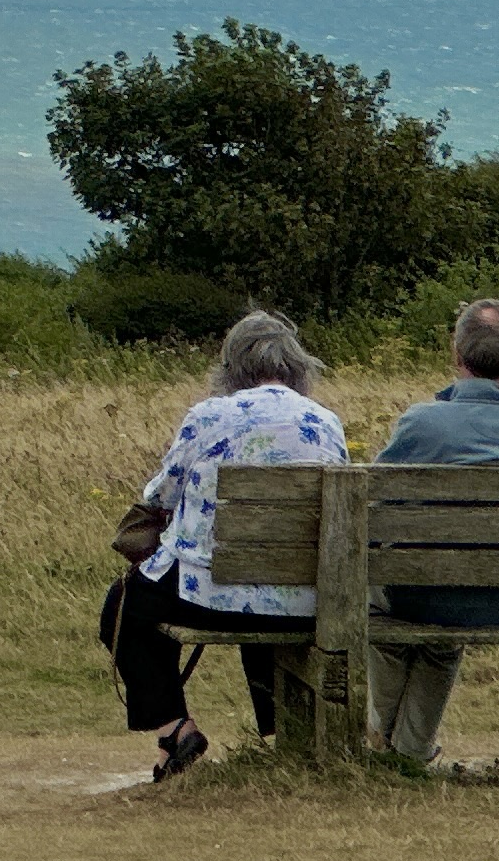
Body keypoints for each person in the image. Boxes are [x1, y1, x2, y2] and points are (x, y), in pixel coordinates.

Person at [107, 310, 348, 778]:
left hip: (209, 594)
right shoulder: (325, 421)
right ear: (298, 365)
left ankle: (176, 730)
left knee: (125, 606)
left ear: (230, 367)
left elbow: (160, 495)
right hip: (300, 595)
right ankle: (283, 733)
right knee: (263, 596)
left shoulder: (209, 415)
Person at [364, 297, 499, 765]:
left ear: (456, 354)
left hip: (413, 593)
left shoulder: (424, 422)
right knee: (440, 633)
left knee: (382, 596)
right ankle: (409, 752)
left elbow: (372, 504)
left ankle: (383, 742)